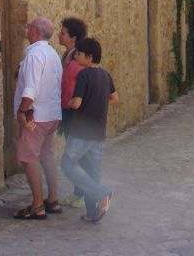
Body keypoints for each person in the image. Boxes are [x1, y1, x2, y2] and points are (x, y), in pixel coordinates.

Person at [61, 37, 119, 223]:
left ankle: (102, 193)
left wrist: (68, 102)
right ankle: (92, 212)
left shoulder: (84, 75)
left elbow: (76, 103)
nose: (76, 56)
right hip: (98, 131)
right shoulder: (105, 75)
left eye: (78, 53)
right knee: (93, 171)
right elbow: (115, 98)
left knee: (68, 164)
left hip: (81, 131)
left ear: (89, 56)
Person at [12, 17, 63, 220]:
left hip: (36, 116)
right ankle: (53, 199)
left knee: (28, 157)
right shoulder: (52, 53)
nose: (27, 30)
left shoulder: (34, 55)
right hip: (52, 114)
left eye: (28, 27)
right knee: (47, 156)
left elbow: (30, 89)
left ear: (35, 31)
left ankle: (37, 204)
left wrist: (22, 112)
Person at [57, 16, 87, 208]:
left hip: (76, 112)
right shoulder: (68, 55)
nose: (59, 35)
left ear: (73, 37)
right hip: (68, 111)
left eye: (63, 32)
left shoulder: (78, 58)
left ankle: (84, 194)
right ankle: (79, 192)